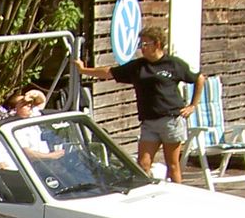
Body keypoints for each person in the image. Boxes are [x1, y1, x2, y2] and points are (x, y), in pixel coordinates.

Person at [76, 26, 205, 183]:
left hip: (170, 120)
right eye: (140, 44)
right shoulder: (138, 66)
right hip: (149, 122)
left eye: (145, 44)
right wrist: (84, 70)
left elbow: (199, 78)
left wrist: (193, 105)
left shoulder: (173, 64)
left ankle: (177, 195)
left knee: (172, 165)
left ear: (157, 44)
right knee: (143, 165)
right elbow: (110, 72)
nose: (142, 48)